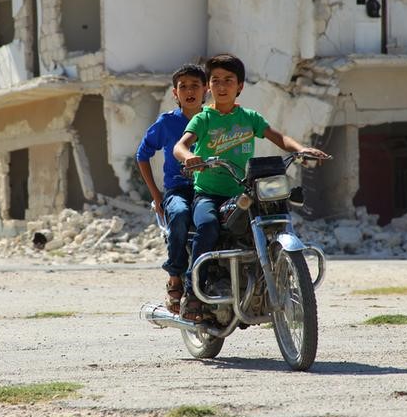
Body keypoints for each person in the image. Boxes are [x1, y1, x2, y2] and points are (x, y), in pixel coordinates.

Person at [173, 53, 329, 321]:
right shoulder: (203, 119)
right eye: (216, 80)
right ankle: (192, 293)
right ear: (208, 87)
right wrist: (189, 157)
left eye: (229, 80)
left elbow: (278, 137)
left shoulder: (250, 117)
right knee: (208, 226)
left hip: (242, 191)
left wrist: (301, 149)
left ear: (240, 86)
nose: (222, 86)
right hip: (208, 194)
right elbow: (180, 145)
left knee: (272, 219)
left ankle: (275, 279)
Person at [136, 64, 208, 313]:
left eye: (195, 86)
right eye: (183, 87)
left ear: (205, 89)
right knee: (178, 215)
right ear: (175, 93)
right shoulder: (167, 123)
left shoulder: (214, 119)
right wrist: (156, 195)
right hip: (178, 189)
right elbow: (142, 155)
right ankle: (176, 276)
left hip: (208, 188)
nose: (189, 91)